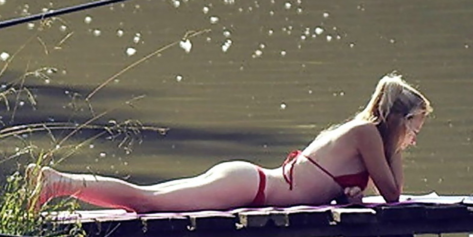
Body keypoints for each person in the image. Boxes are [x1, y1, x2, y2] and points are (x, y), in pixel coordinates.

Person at [30, 74, 431, 212]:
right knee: (145, 201)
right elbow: (393, 195)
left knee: (147, 196)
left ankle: (59, 182)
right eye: (415, 126)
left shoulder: (364, 135)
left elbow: (345, 185)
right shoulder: (367, 133)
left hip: (248, 181)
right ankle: (58, 182)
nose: (415, 137)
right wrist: (396, 145)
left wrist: (347, 195)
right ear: (399, 119)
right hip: (251, 186)